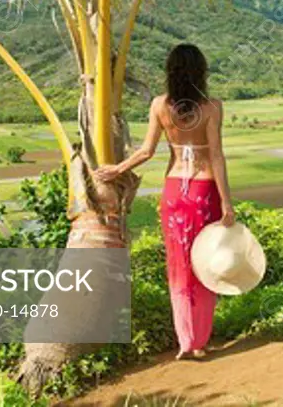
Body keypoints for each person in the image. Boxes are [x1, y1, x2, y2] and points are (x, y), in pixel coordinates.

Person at [94, 43, 235, 359]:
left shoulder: (160, 105)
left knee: (179, 265)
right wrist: (227, 202)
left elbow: (145, 151)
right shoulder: (213, 107)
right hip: (203, 191)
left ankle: (184, 340)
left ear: (170, 72)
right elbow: (216, 154)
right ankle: (198, 340)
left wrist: (116, 169)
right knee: (203, 262)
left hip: (174, 192)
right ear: (201, 72)